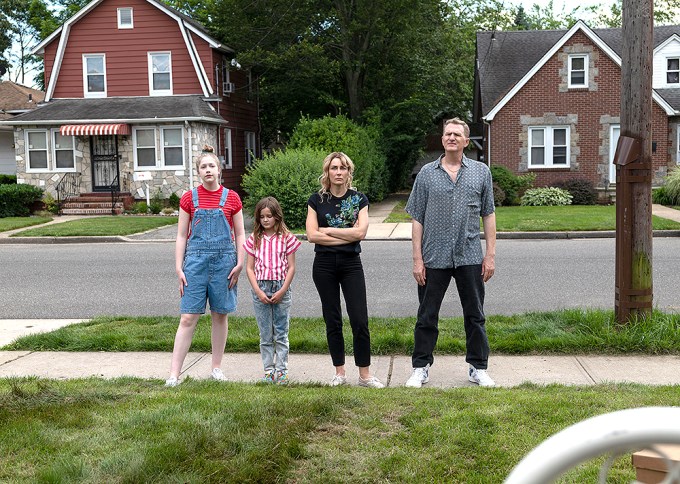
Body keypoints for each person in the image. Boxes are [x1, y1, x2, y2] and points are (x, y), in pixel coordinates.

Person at [404, 118, 497, 388]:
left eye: (457, 134)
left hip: (469, 255)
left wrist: (489, 254)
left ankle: (477, 367)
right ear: (442, 139)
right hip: (434, 256)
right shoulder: (426, 174)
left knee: (475, 314)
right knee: (427, 315)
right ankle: (420, 367)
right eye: (448, 134)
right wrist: (417, 259)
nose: (452, 137)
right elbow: (417, 218)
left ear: (466, 141)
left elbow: (488, 214)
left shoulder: (481, 173)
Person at [166, 145, 245, 387]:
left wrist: (240, 262)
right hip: (195, 263)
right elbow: (181, 236)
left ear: (219, 170)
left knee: (219, 315)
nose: (208, 170)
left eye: (212, 166)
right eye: (203, 167)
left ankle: (216, 368)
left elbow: (241, 234)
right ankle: (174, 374)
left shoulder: (232, 198)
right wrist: (179, 268)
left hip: (225, 262)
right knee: (188, 317)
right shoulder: (189, 198)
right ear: (198, 172)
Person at [306, 152, 384, 388]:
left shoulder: (359, 199)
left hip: (351, 265)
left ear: (349, 172)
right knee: (333, 319)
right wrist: (346, 235)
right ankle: (339, 372)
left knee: (359, 319)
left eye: (343, 168)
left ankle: (365, 375)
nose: (338, 172)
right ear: (327, 172)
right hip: (324, 265)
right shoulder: (316, 200)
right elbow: (311, 236)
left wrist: (327, 231)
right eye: (334, 168)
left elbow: (360, 233)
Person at [244, 196, 301, 385]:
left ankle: (281, 370)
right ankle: (268, 370)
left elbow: (291, 267)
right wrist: (259, 292)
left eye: (269, 216)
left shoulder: (287, 238)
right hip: (260, 287)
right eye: (262, 216)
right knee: (265, 333)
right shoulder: (254, 239)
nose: (266, 220)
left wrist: (283, 289)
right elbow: (250, 268)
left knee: (281, 332)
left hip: (280, 287)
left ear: (277, 216)